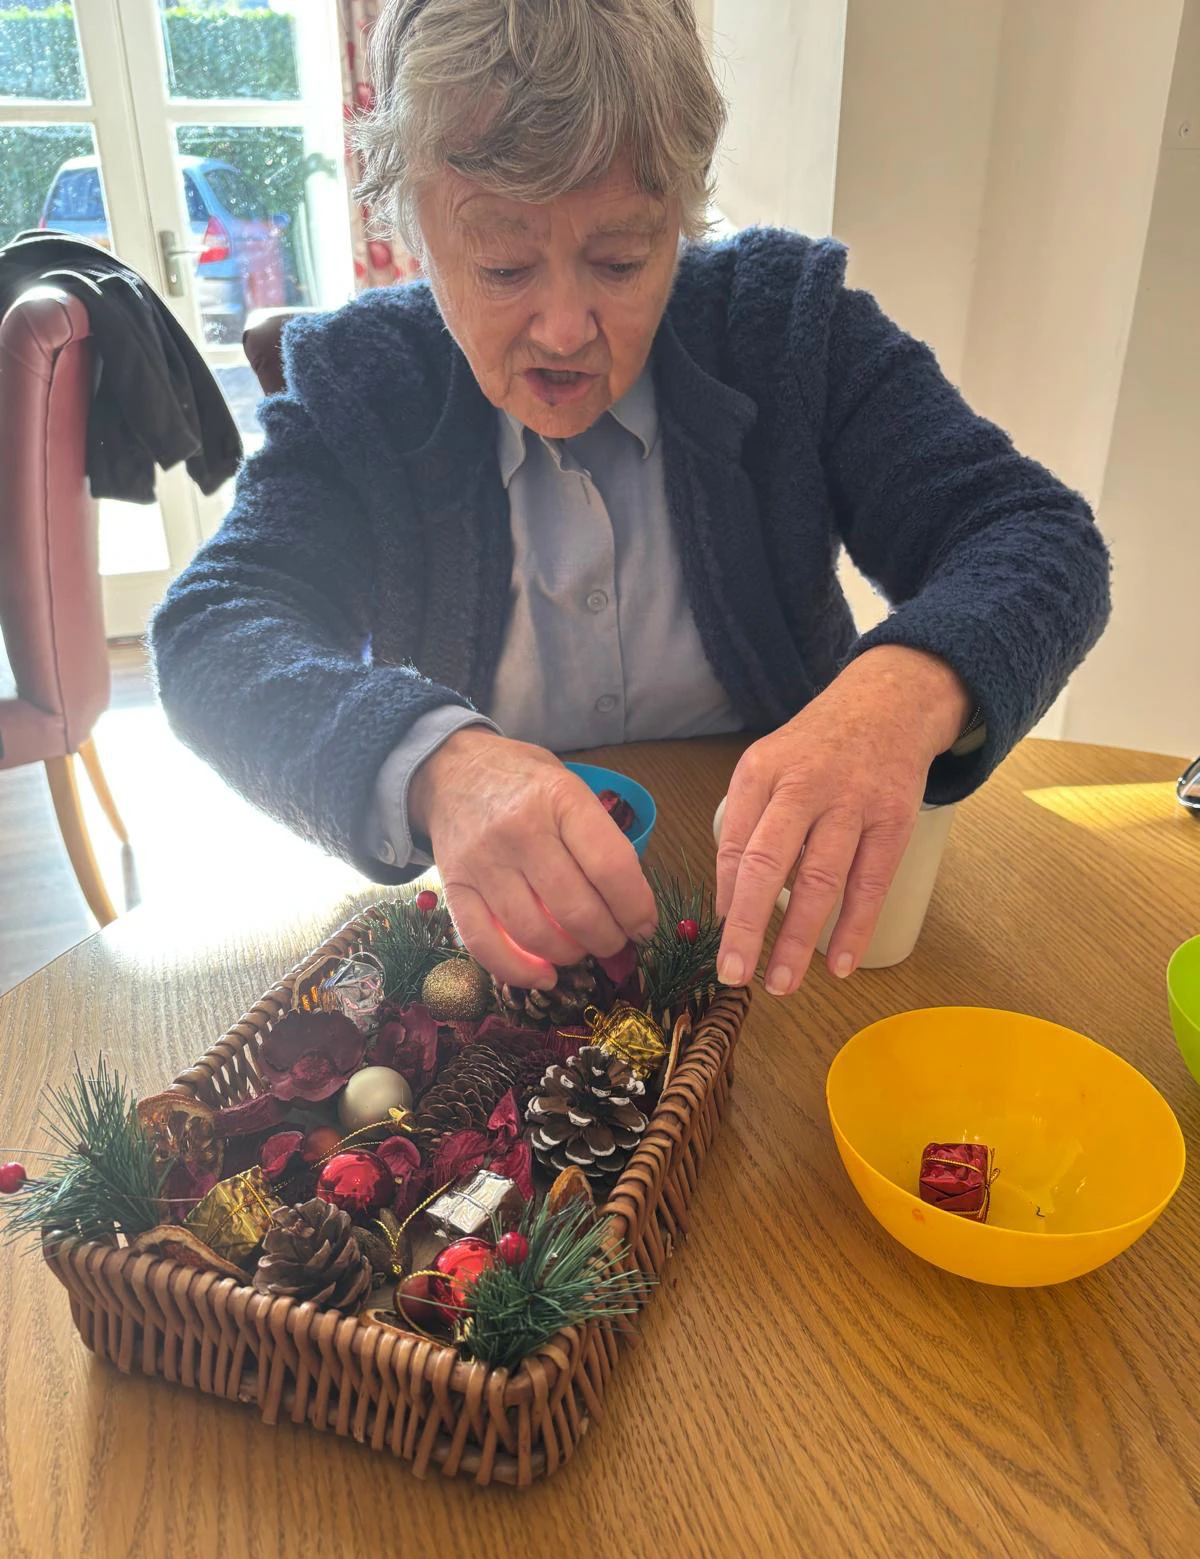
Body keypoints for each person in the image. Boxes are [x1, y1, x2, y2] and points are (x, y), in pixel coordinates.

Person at [150, 0, 1110, 1000]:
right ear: (412, 233)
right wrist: (438, 766)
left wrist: (899, 693)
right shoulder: (364, 384)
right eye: (503, 266)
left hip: (788, 925)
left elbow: (1039, 536)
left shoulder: (791, 330)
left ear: (685, 219)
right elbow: (213, 632)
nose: (565, 329)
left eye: (621, 260)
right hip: (513, 950)